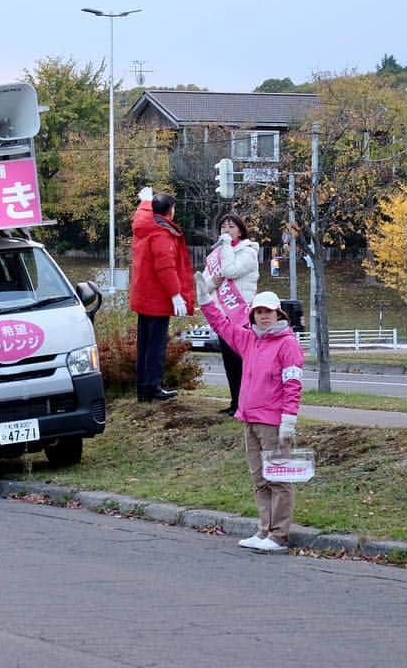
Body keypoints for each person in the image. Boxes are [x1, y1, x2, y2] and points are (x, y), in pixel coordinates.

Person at [195, 278, 304, 553]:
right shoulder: (248, 340)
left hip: (274, 423)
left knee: (278, 480)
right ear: (252, 314)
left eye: (269, 311)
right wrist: (206, 300)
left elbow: (293, 383)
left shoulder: (288, 344)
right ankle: (264, 530)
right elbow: (221, 325)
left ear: (279, 314)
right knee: (260, 479)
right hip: (250, 420)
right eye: (259, 311)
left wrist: (288, 419)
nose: (264, 316)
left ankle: (279, 535)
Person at [129, 187, 195, 402]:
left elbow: (144, 212)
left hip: (144, 296)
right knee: (156, 346)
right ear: (170, 211)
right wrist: (176, 295)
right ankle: (153, 388)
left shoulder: (145, 225)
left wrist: (146, 200)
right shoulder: (161, 233)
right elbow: (166, 268)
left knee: (144, 345)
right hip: (158, 298)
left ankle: (143, 389)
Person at [204, 214, 260, 416]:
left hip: (241, 315)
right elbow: (205, 284)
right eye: (223, 227)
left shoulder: (248, 252)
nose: (226, 230)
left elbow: (230, 270)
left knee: (241, 361)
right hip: (223, 316)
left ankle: (246, 403)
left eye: (231, 226)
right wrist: (214, 283)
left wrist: (226, 247)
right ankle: (235, 401)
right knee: (229, 362)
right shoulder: (216, 255)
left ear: (240, 230)